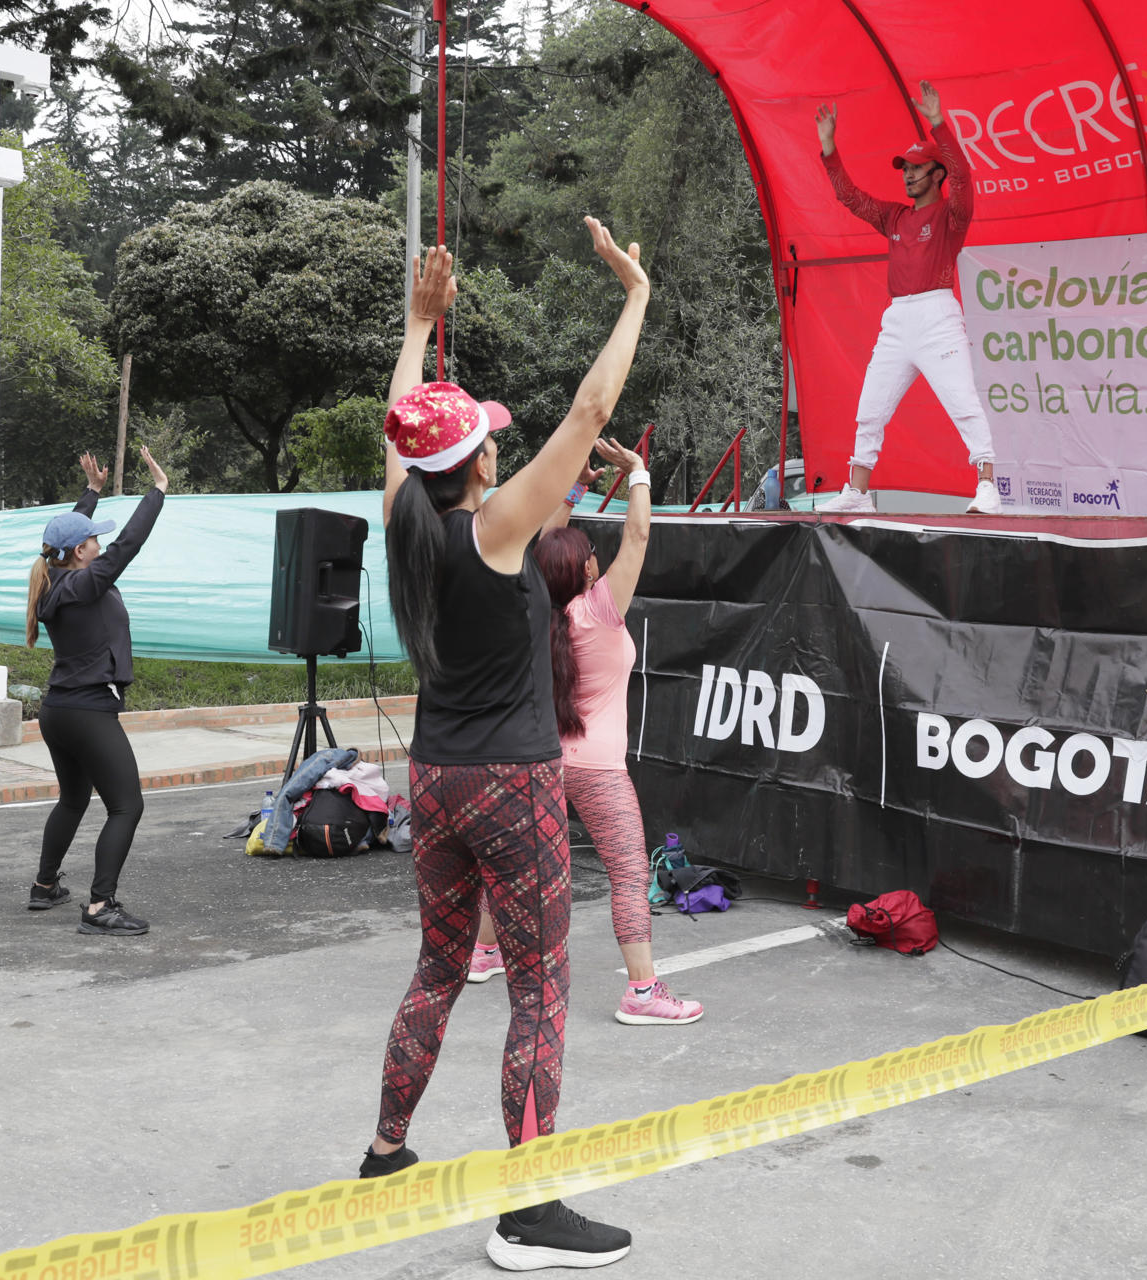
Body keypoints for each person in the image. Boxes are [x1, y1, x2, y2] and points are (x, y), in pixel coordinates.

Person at [360, 222, 647, 1273]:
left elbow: (394, 440)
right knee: (539, 987)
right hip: (510, 783)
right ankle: (529, 1208)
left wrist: (417, 329)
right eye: (487, 434)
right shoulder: (493, 529)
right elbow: (590, 412)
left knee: (439, 966)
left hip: (434, 779)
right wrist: (634, 298)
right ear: (477, 459)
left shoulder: (407, 518)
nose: (497, 442)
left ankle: (388, 1152)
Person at [531, 441, 704, 1027]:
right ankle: (642, 993)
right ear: (585, 570)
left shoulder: (534, 608)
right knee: (629, 875)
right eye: (589, 556)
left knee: (517, 866)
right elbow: (637, 540)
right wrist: (638, 474)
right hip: (600, 769)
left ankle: (481, 953)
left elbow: (539, 549)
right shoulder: (600, 610)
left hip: (544, 761)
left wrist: (575, 490)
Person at [813, 81, 1001, 516]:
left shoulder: (953, 215)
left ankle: (988, 486)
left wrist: (938, 123)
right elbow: (850, 197)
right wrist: (829, 149)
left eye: (916, 168)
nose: (908, 174)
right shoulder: (894, 215)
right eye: (905, 169)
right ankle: (858, 492)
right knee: (870, 407)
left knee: (963, 401)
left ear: (937, 175)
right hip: (897, 320)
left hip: (938, 316)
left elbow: (964, 175)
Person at [24, 448, 167, 935]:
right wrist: (158, 491)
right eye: (93, 540)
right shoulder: (86, 582)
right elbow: (128, 543)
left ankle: (45, 887)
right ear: (81, 552)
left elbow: (62, 540)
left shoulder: (54, 581)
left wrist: (92, 494)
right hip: (87, 710)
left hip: (58, 709)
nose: (100, 544)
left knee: (73, 798)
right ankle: (99, 907)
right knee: (127, 806)